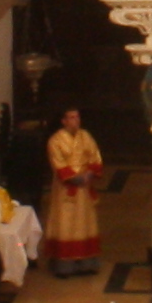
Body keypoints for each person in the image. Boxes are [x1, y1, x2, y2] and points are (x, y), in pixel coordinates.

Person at [45, 105, 108, 275]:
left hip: (85, 188)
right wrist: (75, 178)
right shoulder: (55, 141)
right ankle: (64, 264)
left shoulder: (86, 136)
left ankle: (87, 262)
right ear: (64, 121)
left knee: (85, 223)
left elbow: (95, 156)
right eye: (71, 117)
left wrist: (89, 173)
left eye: (77, 117)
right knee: (65, 223)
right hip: (66, 189)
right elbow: (58, 164)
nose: (76, 121)